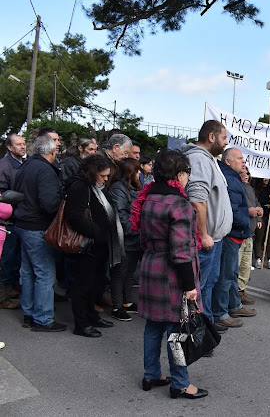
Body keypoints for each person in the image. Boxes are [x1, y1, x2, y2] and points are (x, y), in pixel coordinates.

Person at [130, 149, 208, 399]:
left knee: (153, 327)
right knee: (177, 331)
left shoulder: (148, 197)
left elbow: (142, 237)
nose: (187, 177)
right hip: (173, 274)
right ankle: (180, 383)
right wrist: (190, 284)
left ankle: (151, 373)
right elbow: (181, 251)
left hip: (151, 265)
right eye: (186, 172)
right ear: (179, 173)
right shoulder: (179, 204)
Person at [65, 154, 124, 337]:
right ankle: (81, 324)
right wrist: (98, 233)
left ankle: (92, 316)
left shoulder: (96, 187)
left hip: (100, 245)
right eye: (104, 176)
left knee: (95, 284)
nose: (106, 179)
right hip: (88, 245)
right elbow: (74, 216)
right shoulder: (80, 186)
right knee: (83, 285)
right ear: (93, 173)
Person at [182, 120, 232, 330]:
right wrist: (203, 234)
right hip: (206, 239)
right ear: (212, 137)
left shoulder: (208, 159)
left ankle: (207, 323)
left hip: (214, 237)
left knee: (208, 284)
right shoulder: (199, 159)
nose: (226, 142)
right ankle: (195, 333)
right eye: (223, 137)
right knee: (198, 288)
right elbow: (197, 201)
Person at [12, 135, 65, 332]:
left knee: (28, 271)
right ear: (52, 152)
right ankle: (42, 319)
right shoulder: (44, 169)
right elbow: (50, 203)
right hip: (36, 226)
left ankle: (29, 313)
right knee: (44, 273)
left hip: (23, 223)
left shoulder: (26, 165)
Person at [212, 148, 256, 328]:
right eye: (239, 158)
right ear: (228, 161)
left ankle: (233, 305)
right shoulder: (229, 178)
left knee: (232, 272)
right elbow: (233, 209)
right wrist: (245, 223)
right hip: (231, 234)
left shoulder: (231, 177)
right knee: (225, 274)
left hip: (233, 233)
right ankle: (220, 312)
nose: (243, 162)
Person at [108, 158, 143, 321]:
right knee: (119, 273)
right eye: (137, 170)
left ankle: (127, 302)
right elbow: (119, 215)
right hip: (124, 239)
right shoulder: (118, 188)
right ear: (130, 172)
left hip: (134, 239)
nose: (140, 173)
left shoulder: (133, 187)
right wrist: (135, 229)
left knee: (129, 272)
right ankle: (117, 306)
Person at [0, 133, 26, 298]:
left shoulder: (25, 163)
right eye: (18, 144)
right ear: (10, 147)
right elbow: (2, 193)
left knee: (17, 255)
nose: (22, 146)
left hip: (22, 216)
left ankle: (15, 284)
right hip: (9, 218)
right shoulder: (3, 166)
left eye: (23, 143)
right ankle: (5, 287)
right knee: (7, 256)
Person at [238, 169, 262, 305]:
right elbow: (233, 206)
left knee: (246, 265)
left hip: (249, 233)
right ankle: (234, 292)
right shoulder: (236, 187)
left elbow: (256, 203)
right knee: (237, 264)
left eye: (247, 174)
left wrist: (259, 211)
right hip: (239, 232)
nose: (246, 176)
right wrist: (249, 211)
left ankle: (241, 290)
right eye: (243, 173)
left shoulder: (250, 189)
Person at [253, 177, 270, 270]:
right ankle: (258, 258)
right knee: (259, 236)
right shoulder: (257, 188)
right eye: (264, 178)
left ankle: (269, 258)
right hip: (260, 214)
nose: (266, 180)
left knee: (269, 238)